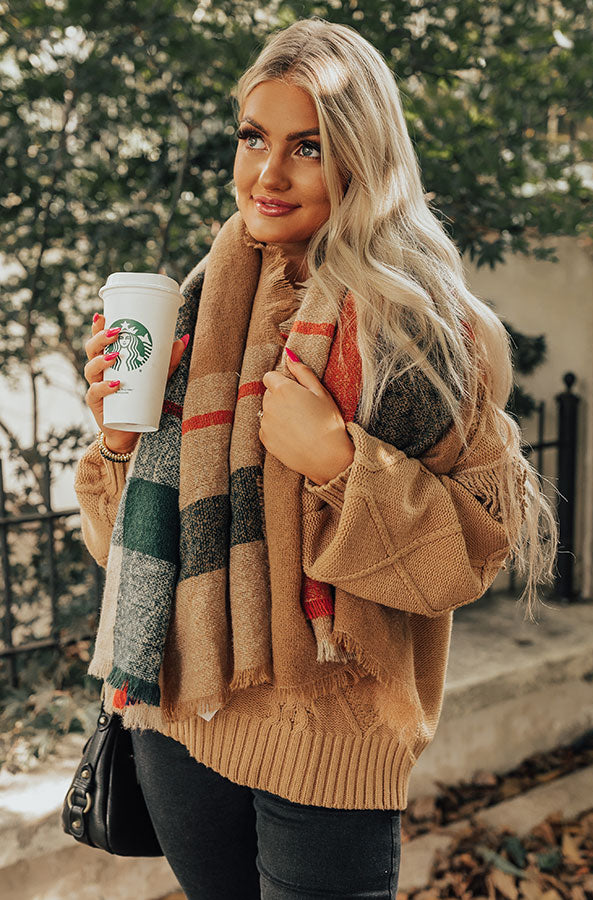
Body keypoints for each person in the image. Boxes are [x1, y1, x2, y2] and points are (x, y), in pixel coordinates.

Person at [74, 17, 557, 900]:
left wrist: (340, 462)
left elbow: (467, 558)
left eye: (308, 147)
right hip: (180, 717)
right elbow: (124, 549)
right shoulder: (198, 301)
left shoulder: (423, 329)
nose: (268, 173)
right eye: (254, 138)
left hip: (332, 736)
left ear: (362, 159)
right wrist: (116, 440)